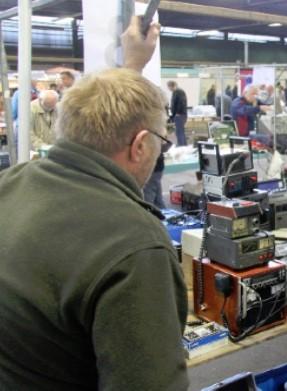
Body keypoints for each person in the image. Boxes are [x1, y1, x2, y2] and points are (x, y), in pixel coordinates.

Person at [0, 16, 188, 390]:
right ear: (139, 147)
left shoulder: (11, 184)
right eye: (160, 143)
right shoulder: (134, 244)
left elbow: (106, 110)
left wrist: (131, 65)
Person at [167, 80, 188, 146]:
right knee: (180, 132)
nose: (168, 89)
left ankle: (181, 146)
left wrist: (178, 113)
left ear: (171, 86)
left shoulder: (178, 92)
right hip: (180, 115)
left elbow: (181, 102)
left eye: (168, 87)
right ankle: (184, 146)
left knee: (179, 132)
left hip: (180, 115)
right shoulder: (177, 91)